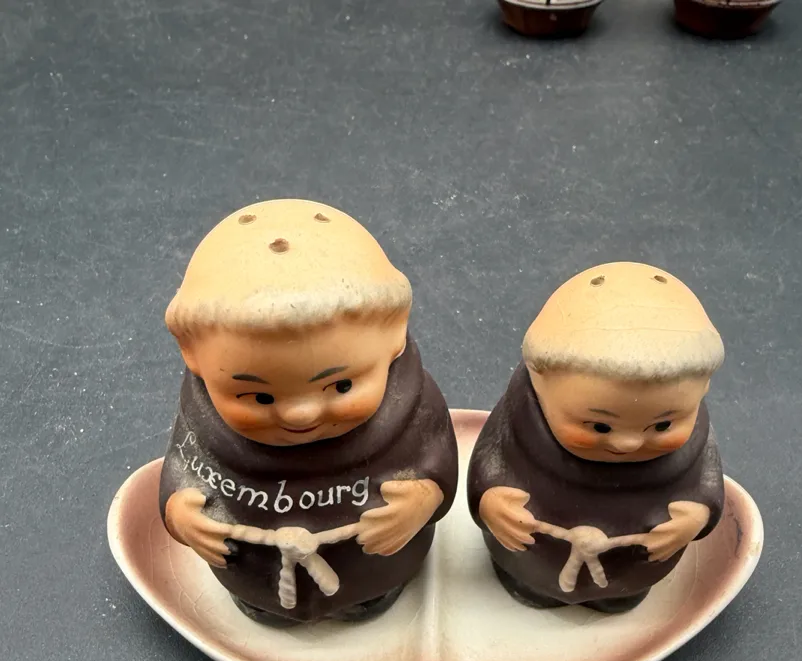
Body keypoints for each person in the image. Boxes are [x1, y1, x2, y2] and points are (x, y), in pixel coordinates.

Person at [160, 199, 458, 625]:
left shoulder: (412, 407)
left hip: (375, 566)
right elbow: (182, 466)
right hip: (255, 577)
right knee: (264, 608)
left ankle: (371, 597)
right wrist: (180, 515)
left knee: (372, 597)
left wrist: (423, 499)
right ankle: (262, 603)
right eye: (260, 397)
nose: (299, 415)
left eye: (341, 386)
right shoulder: (203, 424)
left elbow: (437, 460)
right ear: (191, 354)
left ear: (394, 332)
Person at [468, 262, 725, 613]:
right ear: (539, 381)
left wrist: (695, 517)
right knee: (529, 585)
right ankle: (529, 587)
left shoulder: (695, 442)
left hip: (631, 568)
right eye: (600, 426)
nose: (627, 444)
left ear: (702, 389)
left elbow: (706, 483)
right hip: (533, 556)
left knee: (621, 596)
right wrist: (490, 500)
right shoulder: (517, 421)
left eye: (662, 425)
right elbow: (491, 458)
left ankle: (619, 596)